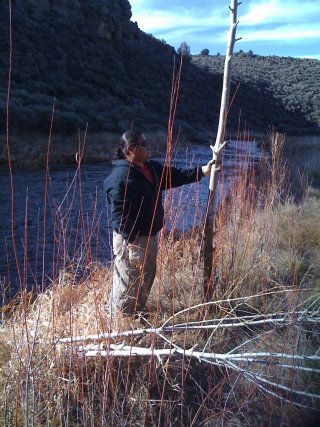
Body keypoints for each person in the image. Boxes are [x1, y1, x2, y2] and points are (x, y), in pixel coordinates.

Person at [104, 129, 214, 317]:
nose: (149, 147)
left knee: (147, 277)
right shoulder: (121, 177)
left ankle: (136, 313)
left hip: (149, 236)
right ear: (131, 149)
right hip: (131, 240)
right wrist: (131, 244)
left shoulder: (150, 168)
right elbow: (119, 216)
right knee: (128, 280)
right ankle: (119, 320)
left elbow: (175, 176)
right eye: (144, 144)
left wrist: (203, 171)